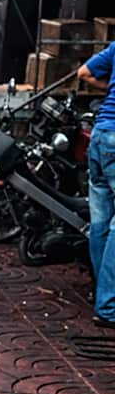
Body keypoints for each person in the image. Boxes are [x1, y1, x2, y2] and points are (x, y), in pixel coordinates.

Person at [79, 41, 115, 330]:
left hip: (101, 134)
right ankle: (109, 305)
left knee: (100, 222)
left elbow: (84, 73)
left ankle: (101, 292)